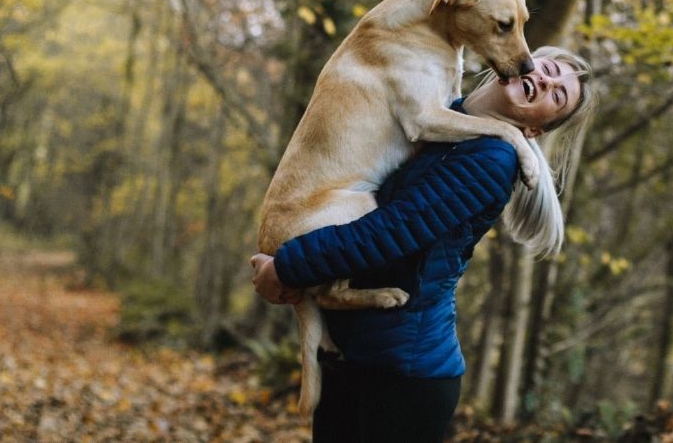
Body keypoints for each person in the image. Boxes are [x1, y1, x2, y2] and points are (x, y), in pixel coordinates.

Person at [249, 46, 596, 443]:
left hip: (406, 375)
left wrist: (288, 267)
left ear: (534, 130)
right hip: (349, 356)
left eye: (557, 95)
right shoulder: (436, 117)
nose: (548, 81)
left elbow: (392, 231)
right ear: (522, 61)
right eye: (549, 70)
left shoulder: (493, 158)